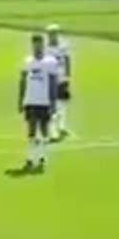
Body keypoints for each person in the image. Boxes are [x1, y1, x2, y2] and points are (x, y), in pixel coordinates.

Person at [17, 34, 60, 173]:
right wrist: (20, 100)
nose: (37, 47)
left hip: (44, 102)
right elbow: (22, 81)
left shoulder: (50, 62)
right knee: (31, 131)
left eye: (39, 44)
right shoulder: (27, 61)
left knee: (44, 131)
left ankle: (42, 157)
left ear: (43, 45)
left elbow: (53, 83)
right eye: (35, 44)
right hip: (31, 101)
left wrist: (53, 102)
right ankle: (30, 159)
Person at [44, 24, 72, 140]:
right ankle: (53, 132)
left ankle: (61, 128)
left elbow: (67, 60)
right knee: (52, 106)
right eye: (51, 33)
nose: (53, 35)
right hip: (49, 78)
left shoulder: (63, 45)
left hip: (61, 77)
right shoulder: (45, 47)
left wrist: (67, 76)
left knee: (62, 103)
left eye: (55, 33)